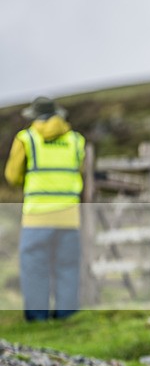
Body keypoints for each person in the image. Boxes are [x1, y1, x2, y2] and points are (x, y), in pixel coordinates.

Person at [4, 97, 86, 321]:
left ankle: (38, 319)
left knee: (34, 269)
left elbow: (12, 176)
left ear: (34, 116)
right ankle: (67, 317)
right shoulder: (76, 140)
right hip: (69, 216)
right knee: (67, 267)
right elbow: (80, 169)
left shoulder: (26, 138)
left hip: (37, 217)